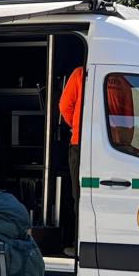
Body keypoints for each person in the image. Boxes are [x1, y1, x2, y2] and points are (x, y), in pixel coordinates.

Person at [57, 65, 85, 250]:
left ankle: (78, 244)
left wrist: (77, 126)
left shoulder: (81, 74)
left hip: (80, 144)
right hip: (115, 145)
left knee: (80, 196)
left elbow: (65, 107)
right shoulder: (123, 79)